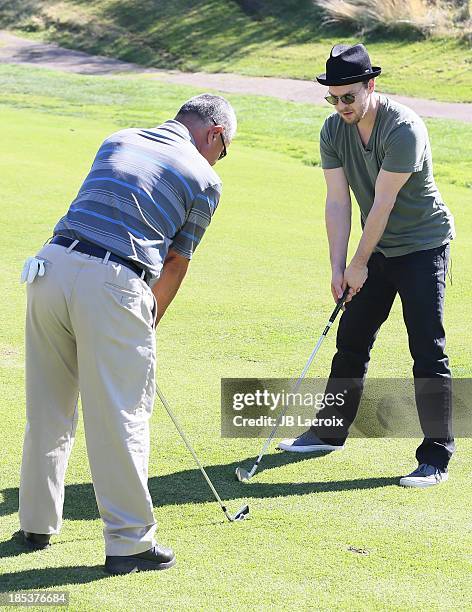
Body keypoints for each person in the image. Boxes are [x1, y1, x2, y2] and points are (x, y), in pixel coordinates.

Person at [16, 93, 237, 573]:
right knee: (121, 417)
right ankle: (130, 543)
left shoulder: (118, 137)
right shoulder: (206, 179)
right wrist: (147, 319)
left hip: (48, 267)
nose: (221, 159)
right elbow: (177, 261)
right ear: (214, 134)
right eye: (224, 149)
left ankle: (35, 522)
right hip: (114, 282)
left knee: (48, 407)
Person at [278, 44, 455, 488]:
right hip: (375, 250)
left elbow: (383, 203)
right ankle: (329, 431)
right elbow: (338, 201)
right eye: (333, 98)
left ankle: (436, 455)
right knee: (352, 337)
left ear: (370, 86)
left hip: (422, 246)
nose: (341, 106)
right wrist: (338, 268)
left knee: (427, 347)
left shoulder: (403, 129)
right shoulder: (332, 130)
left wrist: (359, 263)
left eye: (349, 97)